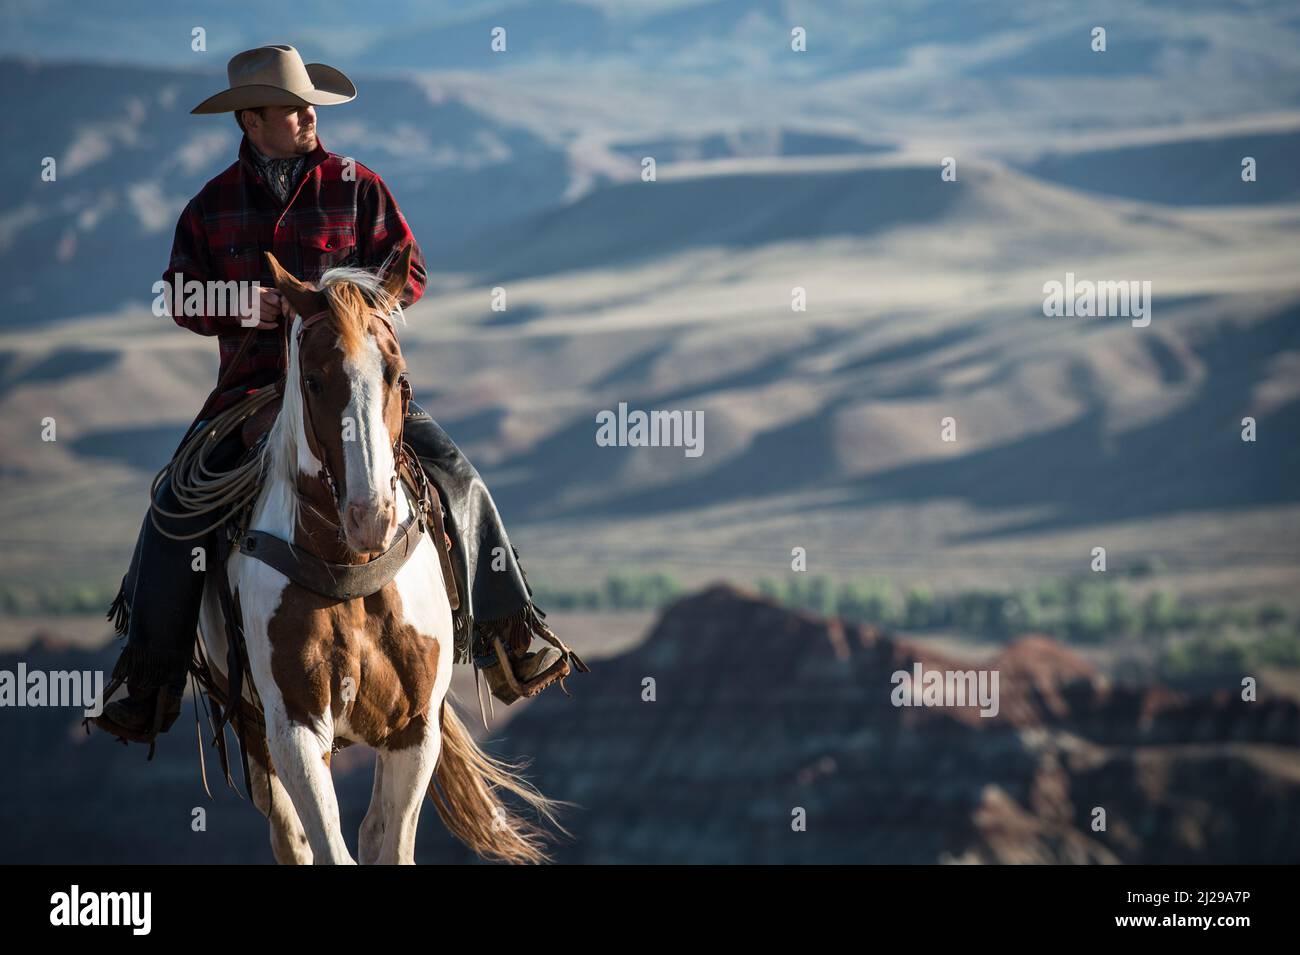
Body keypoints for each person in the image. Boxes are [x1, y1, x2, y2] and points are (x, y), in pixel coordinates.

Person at [93, 44, 577, 747]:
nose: (307, 113)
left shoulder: (356, 185)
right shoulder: (211, 205)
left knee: (456, 476)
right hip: (252, 393)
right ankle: (149, 676)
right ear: (252, 120)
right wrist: (244, 305)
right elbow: (179, 296)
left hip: (354, 387)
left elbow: (408, 273)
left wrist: (348, 305)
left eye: (309, 102)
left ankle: (512, 632)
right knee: (172, 506)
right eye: (291, 106)